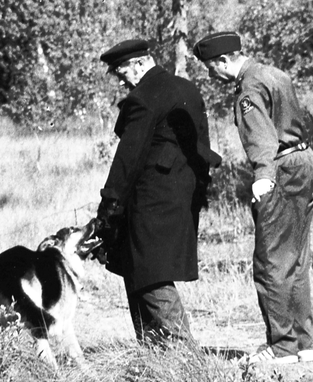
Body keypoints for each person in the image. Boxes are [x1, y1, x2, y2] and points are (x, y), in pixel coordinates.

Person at [192, 31, 313, 365]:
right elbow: (301, 119)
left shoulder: (248, 89)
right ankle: (302, 342)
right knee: (296, 258)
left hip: (280, 170)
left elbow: (262, 139)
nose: (211, 75)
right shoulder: (273, 73)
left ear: (224, 61)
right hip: (305, 161)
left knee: (271, 261)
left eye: (210, 68)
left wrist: (263, 178)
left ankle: (281, 346)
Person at [95, 38, 222, 347]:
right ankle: (154, 354)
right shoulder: (186, 87)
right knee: (142, 268)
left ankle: (184, 352)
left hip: (149, 198)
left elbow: (129, 158)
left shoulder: (143, 97)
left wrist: (110, 204)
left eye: (121, 71)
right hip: (182, 194)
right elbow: (203, 146)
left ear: (140, 63)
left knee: (149, 272)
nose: (120, 78)